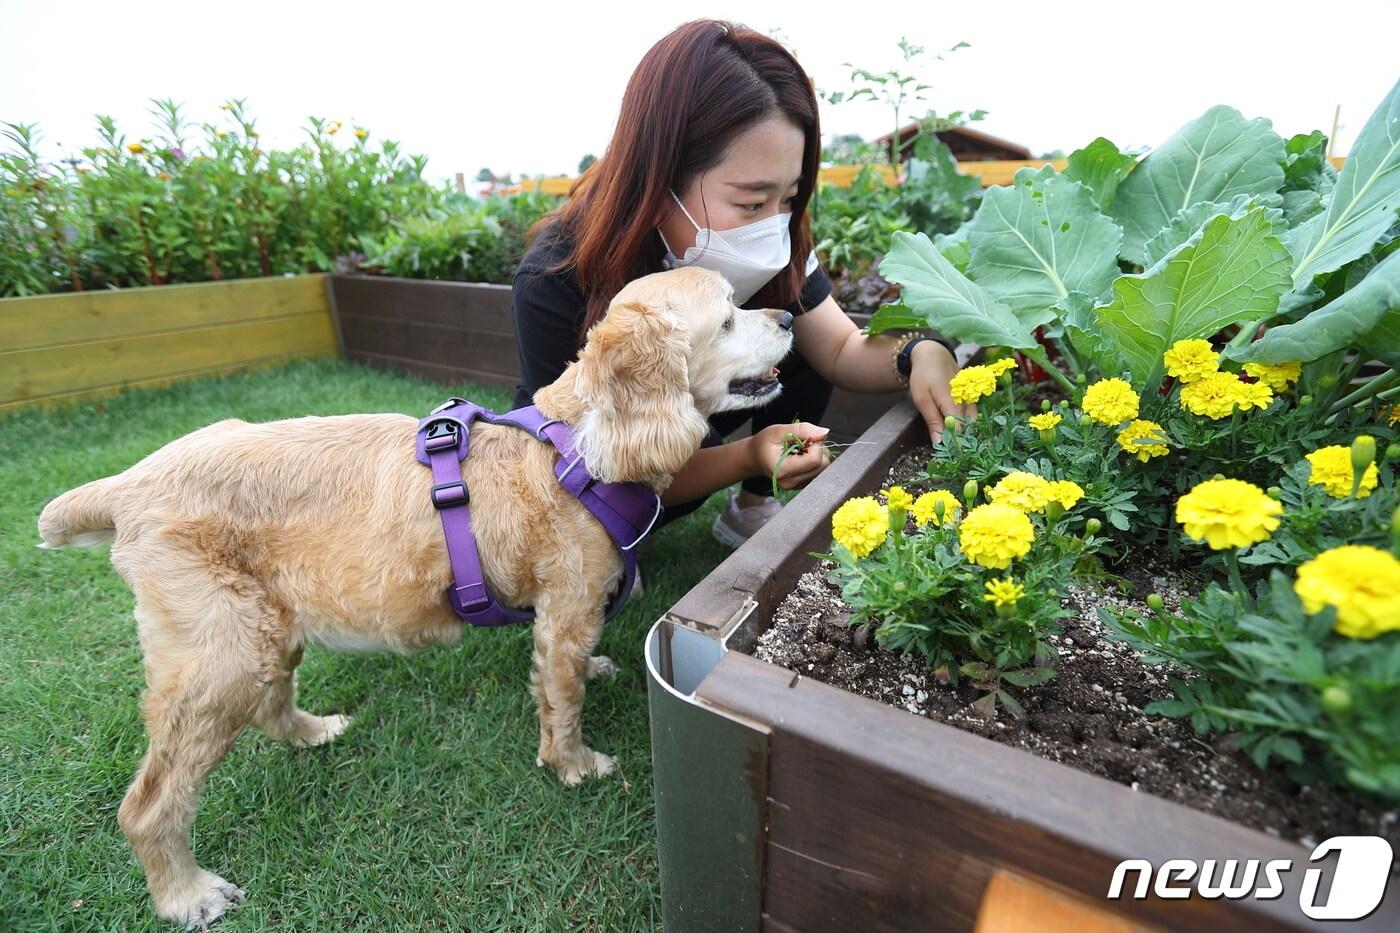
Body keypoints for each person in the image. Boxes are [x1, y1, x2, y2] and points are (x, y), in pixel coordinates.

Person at [511, 19, 969, 548]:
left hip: (700, 419)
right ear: (659, 183)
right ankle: (612, 537)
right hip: (596, 466)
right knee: (596, 511)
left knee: (788, 331)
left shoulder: (775, 242)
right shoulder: (558, 275)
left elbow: (842, 347)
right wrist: (748, 455)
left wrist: (922, 352)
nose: (773, 224)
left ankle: (753, 505)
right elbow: (585, 459)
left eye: (789, 198)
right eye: (751, 202)